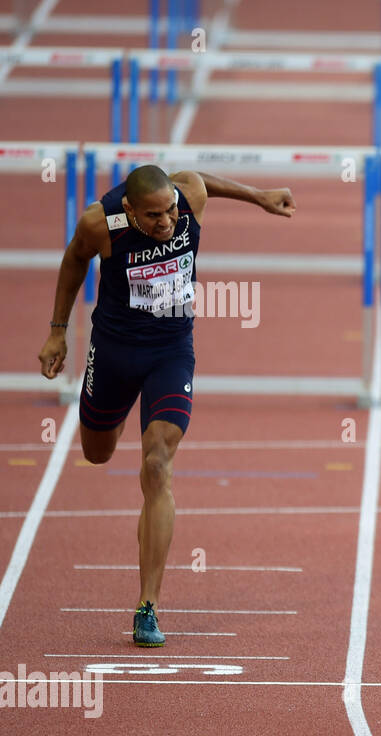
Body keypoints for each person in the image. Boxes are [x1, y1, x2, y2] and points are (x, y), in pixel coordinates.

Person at [37, 164, 295, 647]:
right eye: (154, 216)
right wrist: (56, 332)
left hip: (170, 352)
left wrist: (259, 196)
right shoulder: (101, 222)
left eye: (171, 211)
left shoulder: (188, 196)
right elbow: (74, 261)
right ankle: (112, 416)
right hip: (113, 351)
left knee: (157, 464)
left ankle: (147, 605)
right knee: (97, 453)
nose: (166, 223)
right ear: (130, 209)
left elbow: (202, 179)